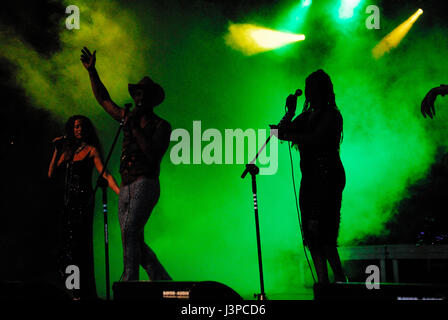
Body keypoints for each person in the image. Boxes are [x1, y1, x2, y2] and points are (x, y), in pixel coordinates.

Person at [80, 47, 172, 281]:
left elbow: (152, 155)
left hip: (145, 184)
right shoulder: (126, 117)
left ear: (152, 100)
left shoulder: (162, 126)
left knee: (130, 232)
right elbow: (103, 99)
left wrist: (133, 128)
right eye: (137, 94)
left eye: (144, 95)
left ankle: (129, 279)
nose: (139, 98)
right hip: (125, 186)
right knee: (130, 236)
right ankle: (160, 277)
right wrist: (92, 72)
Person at [274, 69, 347, 284]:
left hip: (328, 178)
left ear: (322, 89)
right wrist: (290, 111)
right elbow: (280, 132)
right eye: (307, 88)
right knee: (312, 234)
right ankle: (323, 283)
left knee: (325, 233)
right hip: (310, 179)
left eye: (312, 88)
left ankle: (340, 279)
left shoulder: (332, 115)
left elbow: (317, 139)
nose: (308, 92)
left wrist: (292, 135)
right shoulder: (306, 115)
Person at [48, 115, 120, 300]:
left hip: (83, 202)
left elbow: (105, 174)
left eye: (81, 126)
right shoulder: (69, 151)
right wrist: (57, 150)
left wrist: (120, 192)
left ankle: (81, 291)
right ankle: (71, 289)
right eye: (75, 126)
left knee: (79, 246)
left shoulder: (91, 150)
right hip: (68, 203)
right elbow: (51, 173)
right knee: (67, 247)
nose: (78, 129)